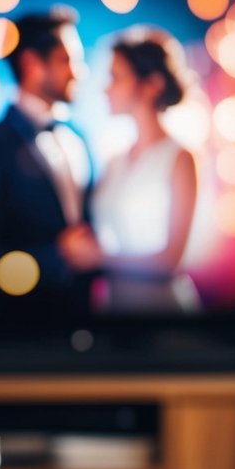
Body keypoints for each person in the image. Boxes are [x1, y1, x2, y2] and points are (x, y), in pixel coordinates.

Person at [0, 11, 95, 316]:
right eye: (68, 59)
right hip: (25, 325)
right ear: (32, 64)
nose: (79, 72)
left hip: (89, 320)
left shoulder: (78, 135)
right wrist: (56, 257)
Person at [58, 31, 200, 312]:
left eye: (116, 77)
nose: (105, 89)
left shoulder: (180, 158)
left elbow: (172, 260)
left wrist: (99, 258)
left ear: (151, 85)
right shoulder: (115, 160)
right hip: (112, 309)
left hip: (162, 312)